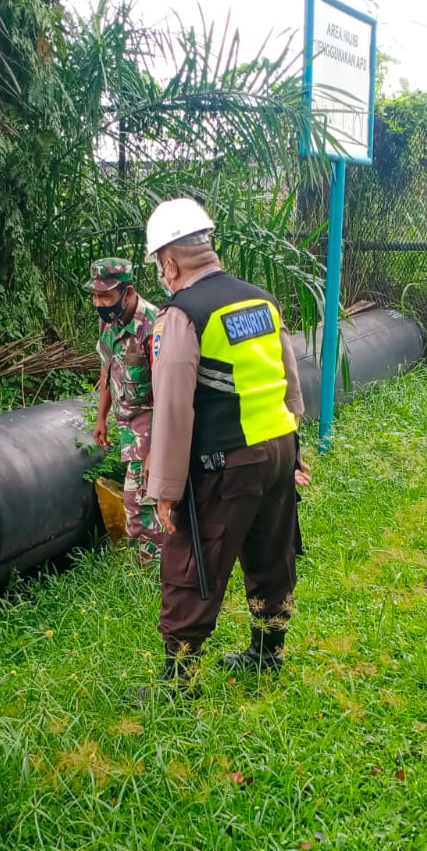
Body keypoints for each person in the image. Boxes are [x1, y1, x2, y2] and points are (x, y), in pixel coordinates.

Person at [142, 198, 311, 694]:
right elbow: (289, 381)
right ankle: (268, 653)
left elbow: (173, 407)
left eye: (160, 266)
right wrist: (294, 450)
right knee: (272, 552)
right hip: (277, 446)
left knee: (192, 560)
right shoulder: (260, 301)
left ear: (170, 262)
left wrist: (166, 490)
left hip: (227, 461)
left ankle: (180, 682)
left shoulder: (183, 314)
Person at [88, 257, 166, 566]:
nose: (99, 303)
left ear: (128, 292)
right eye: (95, 296)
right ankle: (152, 566)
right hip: (127, 426)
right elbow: (107, 366)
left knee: (142, 502)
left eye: (105, 296)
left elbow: (167, 393)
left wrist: (155, 450)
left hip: (151, 422)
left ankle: (156, 571)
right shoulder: (109, 320)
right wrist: (101, 417)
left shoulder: (155, 326)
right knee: (139, 501)